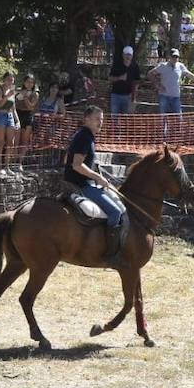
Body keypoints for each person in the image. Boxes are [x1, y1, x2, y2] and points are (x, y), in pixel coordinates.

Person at [64, 104, 126, 266]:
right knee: (115, 212)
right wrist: (97, 177)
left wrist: (96, 173)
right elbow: (76, 165)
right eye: (97, 119)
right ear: (86, 119)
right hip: (82, 185)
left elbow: (68, 160)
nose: (100, 122)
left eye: (102, 119)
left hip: (84, 182)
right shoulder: (84, 137)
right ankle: (111, 254)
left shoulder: (86, 136)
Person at [148, 48, 194, 135]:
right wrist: (157, 85)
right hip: (164, 96)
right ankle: (164, 137)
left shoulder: (180, 66)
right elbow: (150, 74)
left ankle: (178, 137)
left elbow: (190, 75)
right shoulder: (162, 66)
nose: (175, 58)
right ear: (169, 57)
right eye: (173, 56)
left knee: (179, 118)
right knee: (163, 117)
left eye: (177, 57)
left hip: (176, 97)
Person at [108, 46, 141, 117]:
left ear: (132, 56)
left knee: (126, 119)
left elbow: (136, 83)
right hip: (116, 95)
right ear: (123, 55)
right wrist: (120, 78)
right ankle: (115, 128)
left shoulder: (135, 67)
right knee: (114, 117)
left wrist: (134, 97)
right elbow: (110, 78)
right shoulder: (117, 65)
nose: (128, 56)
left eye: (129, 54)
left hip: (128, 96)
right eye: (126, 54)